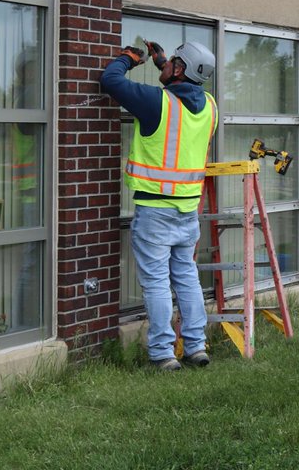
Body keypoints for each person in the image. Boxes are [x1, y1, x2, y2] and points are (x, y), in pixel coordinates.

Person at [101, 38, 218, 371]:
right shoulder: (210, 105)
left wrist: (130, 56)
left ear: (179, 69)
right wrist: (164, 63)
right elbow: (184, 95)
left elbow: (110, 81)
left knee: (156, 283)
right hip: (188, 211)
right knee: (186, 278)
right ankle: (196, 348)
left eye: (171, 63)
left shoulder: (157, 102)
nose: (163, 65)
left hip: (156, 211)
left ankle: (163, 353)